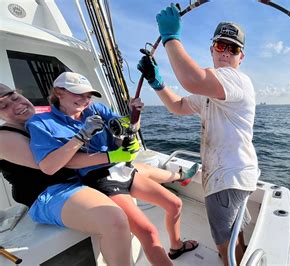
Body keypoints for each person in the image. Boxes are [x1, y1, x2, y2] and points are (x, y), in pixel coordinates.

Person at [26, 72, 198, 265]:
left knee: (175, 203)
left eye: (88, 95)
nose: (85, 100)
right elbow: (57, 164)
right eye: (78, 94)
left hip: (121, 169)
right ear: (58, 92)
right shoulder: (41, 123)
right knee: (148, 232)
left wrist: (135, 115)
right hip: (99, 179)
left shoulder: (96, 108)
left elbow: (128, 127)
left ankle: (176, 246)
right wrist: (84, 136)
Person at [137, 5, 259, 265]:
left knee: (223, 240)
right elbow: (179, 106)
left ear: (241, 57)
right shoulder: (210, 88)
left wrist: (170, 38)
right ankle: (237, 254)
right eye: (220, 46)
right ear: (212, 49)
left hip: (229, 177)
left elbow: (192, 79)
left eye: (233, 48)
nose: (226, 52)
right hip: (235, 175)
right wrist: (157, 83)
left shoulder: (236, 80)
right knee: (233, 231)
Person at [0, 83, 134, 265]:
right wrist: (84, 137)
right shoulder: (4, 137)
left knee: (142, 177)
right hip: (49, 193)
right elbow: (52, 164)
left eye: (15, 98)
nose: (16, 105)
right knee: (114, 220)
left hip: (79, 180)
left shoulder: (40, 119)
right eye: (3, 106)